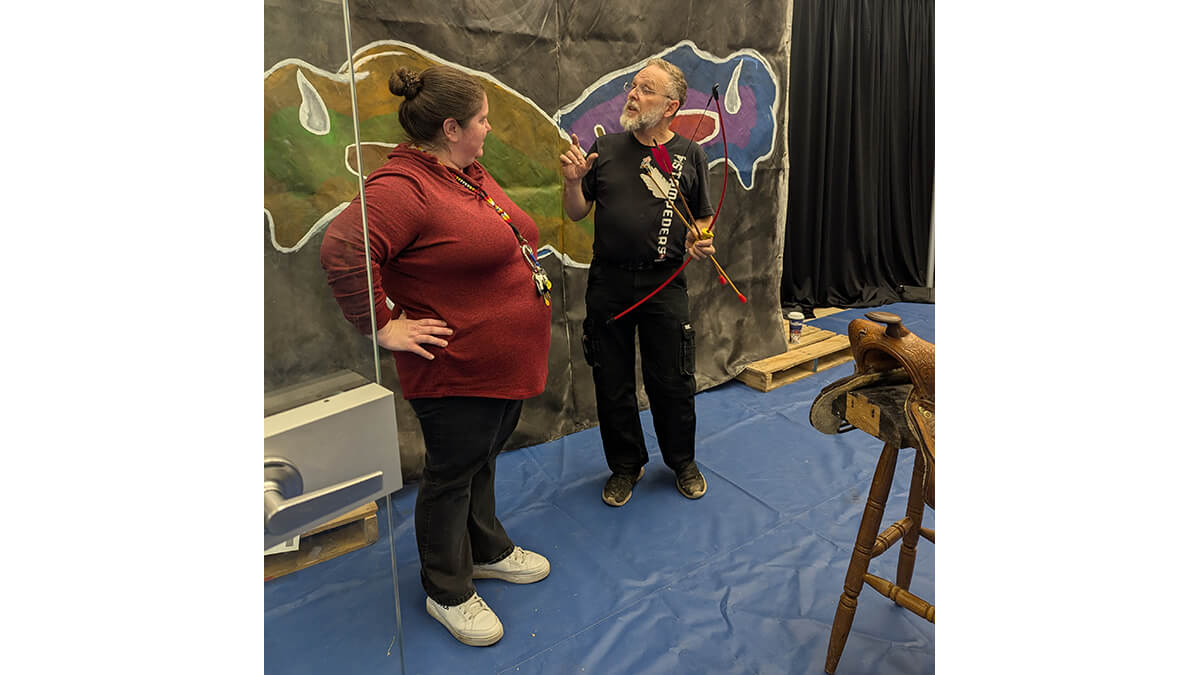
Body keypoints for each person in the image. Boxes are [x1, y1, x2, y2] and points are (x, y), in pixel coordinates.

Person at [320, 65, 552, 648]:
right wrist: (383, 325)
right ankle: (446, 589)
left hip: (497, 366)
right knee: (451, 474)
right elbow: (344, 247)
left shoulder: (465, 171)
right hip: (455, 368)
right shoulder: (404, 187)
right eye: (482, 120)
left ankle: (486, 549)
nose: (488, 128)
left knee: (480, 459)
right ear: (451, 128)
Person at [559, 57, 717, 508]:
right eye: (633, 85)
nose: (633, 93)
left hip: (664, 283)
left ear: (670, 106)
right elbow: (576, 211)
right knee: (611, 381)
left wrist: (700, 238)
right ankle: (626, 465)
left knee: (673, 379)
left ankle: (682, 461)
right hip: (608, 282)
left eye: (646, 89)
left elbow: (702, 217)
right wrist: (572, 182)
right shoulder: (605, 149)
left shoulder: (690, 154)